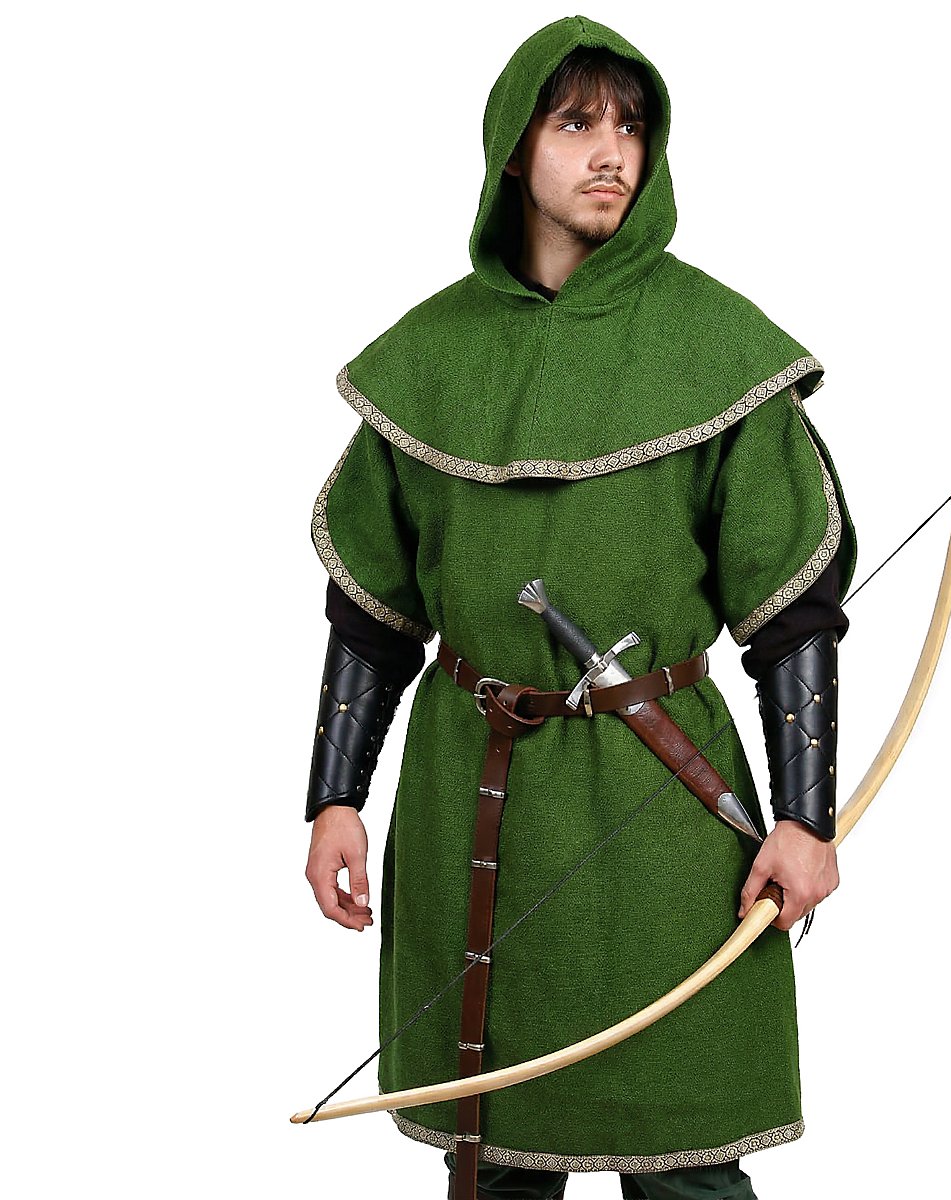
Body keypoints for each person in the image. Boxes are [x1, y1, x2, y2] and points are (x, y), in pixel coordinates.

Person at [304, 15, 855, 1200]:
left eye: (631, 126)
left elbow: (793, 614)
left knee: (688, 1161)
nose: (613, 152)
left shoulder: (717, 347)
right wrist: (336, 799)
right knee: (496, 1156)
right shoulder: (429, 356)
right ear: (516, 148)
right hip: (474, 797)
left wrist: (806, 822)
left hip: (667, 810)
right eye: (576, 123)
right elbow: (370, 610)